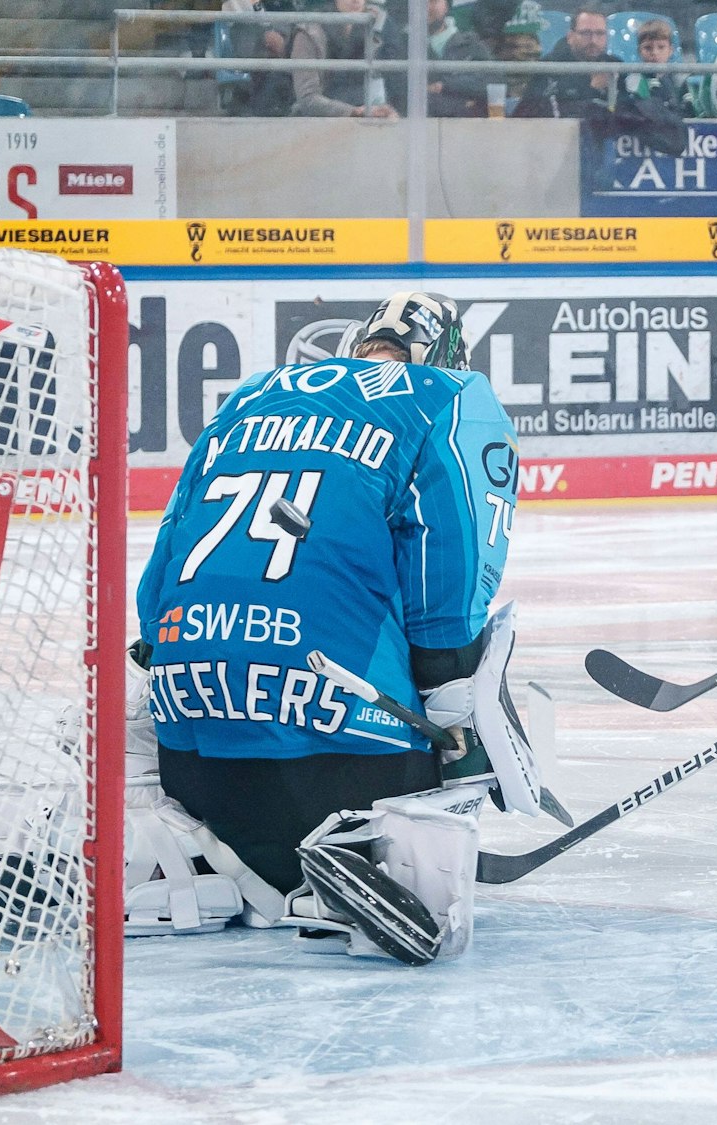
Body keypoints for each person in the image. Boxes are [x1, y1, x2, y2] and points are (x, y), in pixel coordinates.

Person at [127, 293, 545, 965]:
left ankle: (214, 862)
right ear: (447, 355)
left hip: (194, 770)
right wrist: (464, 733)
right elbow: (448, 598)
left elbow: (155, 599)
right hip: (343, 777)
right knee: (481, 654)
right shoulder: (447, 397)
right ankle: (387, 852)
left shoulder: (250, 398)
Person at [290, 0, 397, 118]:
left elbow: (398, 85)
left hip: (374, 119)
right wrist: (354, 112)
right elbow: (307, 99)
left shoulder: (381, 25)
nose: (356, 0)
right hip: (317, 125)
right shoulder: (309, 31)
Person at [514, 6, 619, 118]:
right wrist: (592, 90)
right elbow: (524, 114)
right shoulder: (549, 67)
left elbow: (631, 115)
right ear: (570, 37)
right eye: (585, 33)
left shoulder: (615, 66)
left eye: (600, 33)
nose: (593, 40)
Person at [622, 18, 690, 116]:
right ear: (639, 51)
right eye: (648, 48)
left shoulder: (681, 80)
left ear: (671, 50)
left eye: (661, 47)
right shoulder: (633, 82)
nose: (655, 53)